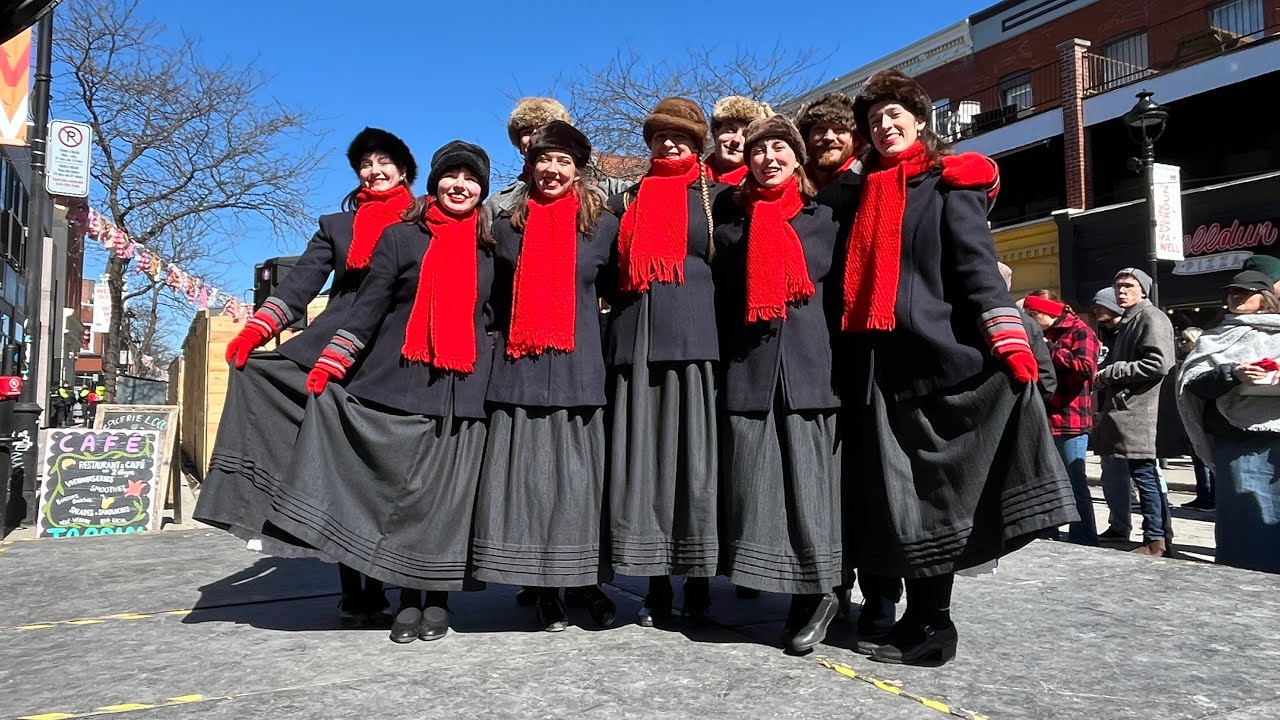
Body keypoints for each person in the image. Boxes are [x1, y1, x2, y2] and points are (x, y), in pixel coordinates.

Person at [841, 69, 1075, 667]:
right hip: (883, 367)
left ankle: (935, 625)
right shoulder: (866, 192)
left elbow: (976, 267)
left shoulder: (950, 184)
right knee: (907, 506)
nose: (885, 125)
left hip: (942, 361)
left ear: (920, 122)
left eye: (896, 115)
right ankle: (919, 618)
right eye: (874, 121)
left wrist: (1009, 340)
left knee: (938, 502)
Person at [268, 142, 496, 643]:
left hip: (466, 390)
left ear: (482, 188)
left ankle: (436, 599)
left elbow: (497, 314)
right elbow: (366, 309)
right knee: (401, 494)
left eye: (470, 178)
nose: (460, 185)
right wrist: (330, 363)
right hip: (401, 382)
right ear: (433, 183)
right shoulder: (401, 238)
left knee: (445, 501)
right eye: (450, 176)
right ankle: (406, 599)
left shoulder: (492, 244)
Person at [193, 127, 417, 627]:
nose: (374, 170)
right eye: (365, 163)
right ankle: (357, 590)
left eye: (385, 162)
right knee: (334, 462)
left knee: (381, 465)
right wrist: (253, 333)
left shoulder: (423, 219)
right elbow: (297, 289)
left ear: (405, 170)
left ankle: (396, 574)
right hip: (334, 346)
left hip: (397, 347)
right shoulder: (336, 226)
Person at [470, 121, 620, 632]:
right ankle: (541, 583)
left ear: (578, 170)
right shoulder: (507, 227)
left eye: (564, 162)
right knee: (529, 482)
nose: (552, 170)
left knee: (580, 483)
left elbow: (621, 296)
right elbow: (487, 301)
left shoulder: (603, 226)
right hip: (520, 369)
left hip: (579, 370)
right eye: (544, 160)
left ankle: (585, 579)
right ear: (530, 165)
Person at [713, 114, 845, 653]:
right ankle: (776, 581)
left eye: (779, 150)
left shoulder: (823, 218)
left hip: (810, 369)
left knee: (812, 489)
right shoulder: (729, 222)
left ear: (797, 158)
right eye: (759, 150)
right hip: (751, 366)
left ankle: (820, 592)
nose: (769, 158)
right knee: (759, 484)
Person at [605, 98, 727, 628]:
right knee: (645, 467)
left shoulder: (719, 198)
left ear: (699, 144)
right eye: (659, 137)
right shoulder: (629, 199)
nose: (669, 144)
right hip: (637, 346)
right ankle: (654, 579)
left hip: (695, 344)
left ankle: (698, 579)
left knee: (694, 468)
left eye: (680, 137)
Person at [1178, 269, 1280, 573]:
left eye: (1244, 292)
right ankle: (1240, 583)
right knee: (1244, 518)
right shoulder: (1216, 336)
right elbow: (1193, 384)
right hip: (1238, 439)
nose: (1235, 296)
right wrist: (1232, 373)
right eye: (1233, 291)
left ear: (1264, 297)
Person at [1094, 268, 1176, 557]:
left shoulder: (1150, 317)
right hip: (1132, 411)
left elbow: (1159, 363)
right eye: (1118, 286)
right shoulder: (1131, 320)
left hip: (1143, 412)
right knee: (1143, 474)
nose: (1121, 291)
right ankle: (1157, 535)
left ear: (1143, 289)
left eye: (1128, 286)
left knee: (1145, 475)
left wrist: (1112, 372)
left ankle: (1156, 538)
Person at [1024, 290, 1101, 545]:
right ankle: (1048, 532)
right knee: (1048, 480)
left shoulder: (1081, 331)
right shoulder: (1043, 333)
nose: (1030, 319)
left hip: (1071, 418)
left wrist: (1050, 349)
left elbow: (1086, 368)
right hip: (1045, 416)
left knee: (1074, 480)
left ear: (1048, 312)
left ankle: (1084, 536)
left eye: (1033, 315)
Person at [488, 97, 573, 217]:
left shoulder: (596, 196)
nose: (535, 137)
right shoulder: (498, 203)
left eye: (543, 129)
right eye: (527, 132)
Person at [1174, 327, 1215, 510]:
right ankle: (1203, 494)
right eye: (1181, 340)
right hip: (1188, 415)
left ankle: (1211, 497)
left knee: (1207, 459)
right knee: (1197, 461)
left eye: (1186, 340)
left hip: (1204, 417)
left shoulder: (1204, 361)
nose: (1182, 344)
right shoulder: (1182, 363)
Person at [704, 95, 771, 185]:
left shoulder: (763, 184)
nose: (736, 140)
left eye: (746, 135)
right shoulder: (690, 178)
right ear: (716, 132)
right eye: (730, 131)